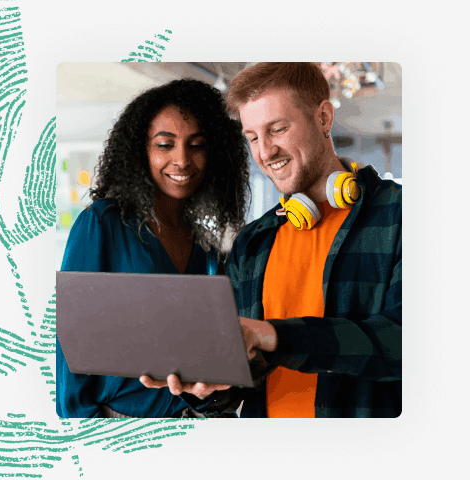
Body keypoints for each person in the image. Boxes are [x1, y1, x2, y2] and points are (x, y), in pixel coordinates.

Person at [141, 62, 401, 418]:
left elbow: (405, 343)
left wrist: (272, 336)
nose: (264, 152)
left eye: (277, 129)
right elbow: (238, 371)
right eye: (252, 138)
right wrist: (206, 385)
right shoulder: (253, 241)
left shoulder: (402, 216)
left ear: (324, 118)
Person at [56, 79, 251, 418]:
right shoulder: (102, 224)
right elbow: (69, 349)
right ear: (140, 151)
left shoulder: (204, 245)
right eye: (165, 145)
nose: (182, 161)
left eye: (197, 145)